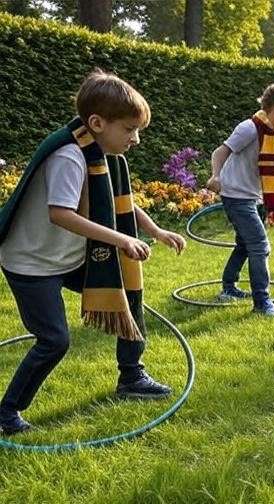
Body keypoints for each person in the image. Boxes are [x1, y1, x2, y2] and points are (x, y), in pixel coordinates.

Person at [0, 70, 187, 434]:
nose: (135, 139)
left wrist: (156, 231)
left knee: (128, 291)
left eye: (138, 131)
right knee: (54, 340)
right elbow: (61, 214)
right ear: (98, 122)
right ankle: (6, 412)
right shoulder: (70, 157)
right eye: (129, 129)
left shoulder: (103, 153)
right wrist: (122, 240)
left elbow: (121, 203)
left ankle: (131, 377)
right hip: (32, 264)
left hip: (69, 258)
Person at [206, 83, 274, 317]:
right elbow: (220, 152)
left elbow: (270, 166)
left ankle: (229, 289)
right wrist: (215, 175)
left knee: (245, 245)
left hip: (250, 197)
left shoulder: (272, 132)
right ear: (270, 106)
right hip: (236, 196)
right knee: (260, 246)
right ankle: (262, 302)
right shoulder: (250, 128)